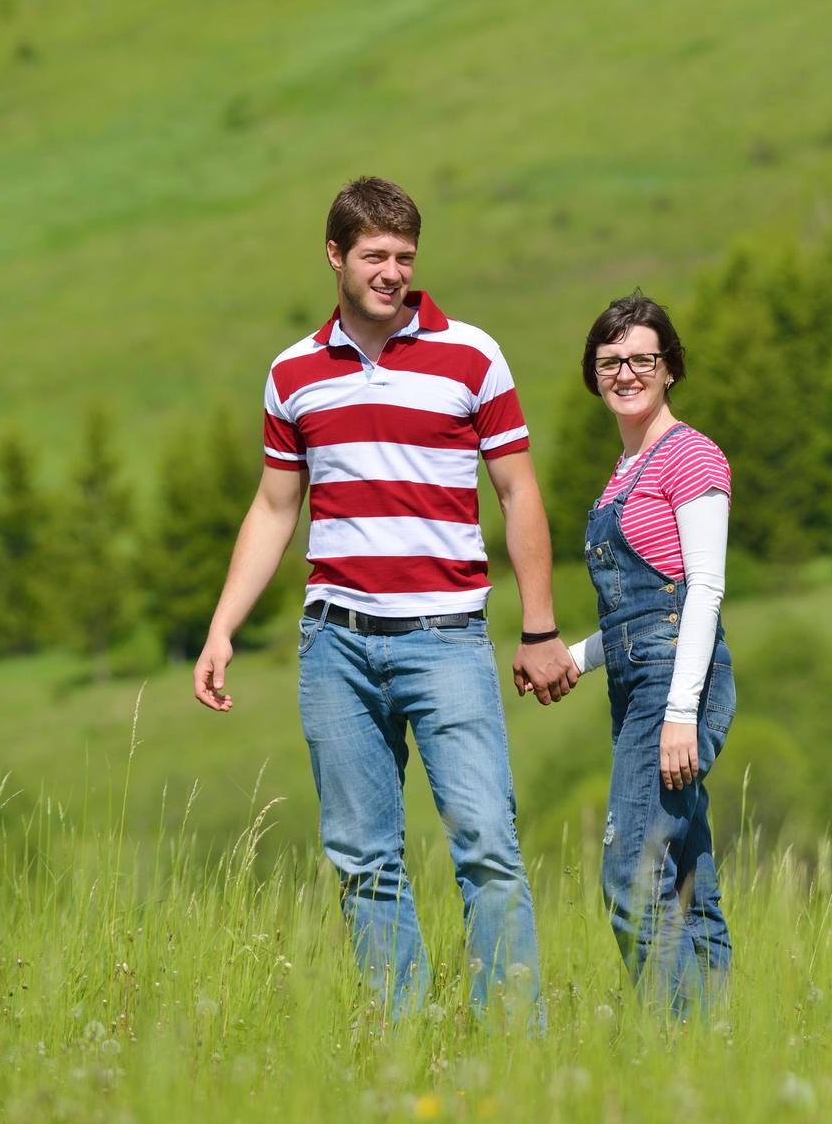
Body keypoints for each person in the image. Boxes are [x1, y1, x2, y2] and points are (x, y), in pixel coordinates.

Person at [192, 176, 577, 1021]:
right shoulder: (293, 372)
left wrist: (539, 627)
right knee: (363, 858)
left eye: (404, 256)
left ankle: (516, 1040)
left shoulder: (472, 355)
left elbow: (519, 494)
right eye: (374, 256)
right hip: (336, 645)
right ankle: (398, 1045)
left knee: (486, 847)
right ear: (335, 256)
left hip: (447, 639)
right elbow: (273, 508)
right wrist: (222, 629)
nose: (392, 272)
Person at [565, 292, 735, 1012]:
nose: (626, 373)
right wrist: (576, 657)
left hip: (676, 687)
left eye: (642, 358)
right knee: (687, 881)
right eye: (611, 361)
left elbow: (702, 591)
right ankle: (722, 1048)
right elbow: (642, 611)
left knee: (630, 875)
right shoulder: (623, 469)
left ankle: (681, 1047)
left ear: (669, 368)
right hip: (639, 681)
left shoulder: (689, 454)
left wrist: (679, 714)